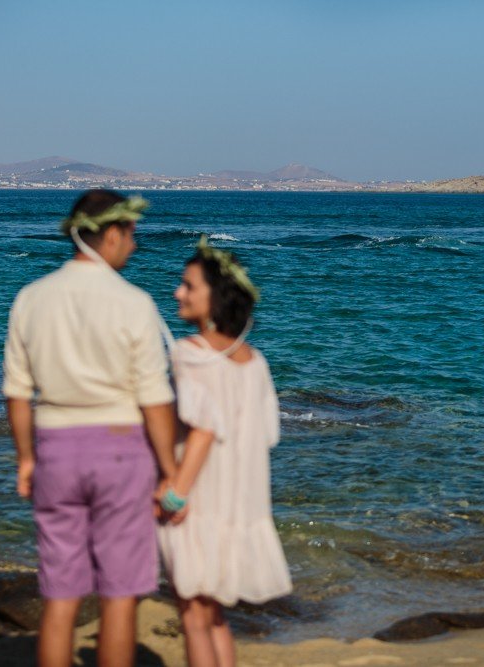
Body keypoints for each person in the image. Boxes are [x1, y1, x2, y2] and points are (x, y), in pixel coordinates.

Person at [3, 190, 177, 667]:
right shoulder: (134, 302)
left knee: (60, 595)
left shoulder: (31, 298)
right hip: (120, 450)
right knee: (119, 595)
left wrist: (26, 460)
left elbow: (17, 393)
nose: (135, 246)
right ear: (113, 234)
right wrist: (169, 471)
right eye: (132, 235)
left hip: (56, 450)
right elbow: (155, 399)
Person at [157, 235, 291, 667]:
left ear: (214, 297)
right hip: (240, 508)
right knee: (214, 617)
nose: (177, 293)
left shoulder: (189, 354)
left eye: (188, 285)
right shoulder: (255, 362)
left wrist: (175, 494)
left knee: (194, 618)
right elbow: (266, 435)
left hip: (198, 501)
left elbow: (202, 431)